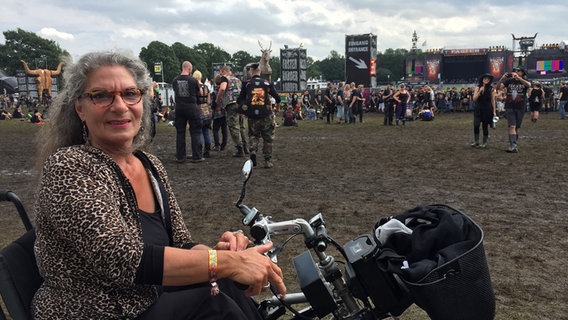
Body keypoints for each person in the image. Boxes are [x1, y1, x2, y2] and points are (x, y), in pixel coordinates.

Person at [32, 50, 286, 320]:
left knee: (224, 286)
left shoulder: (149, 164)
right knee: (213, 303)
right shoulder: (69, 167)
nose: (120, 106)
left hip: (150, 300)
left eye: (130, 94)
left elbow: (181, 244)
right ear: (80, 108)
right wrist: (222, 263)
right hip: (95, 311)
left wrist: (220, 255)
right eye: (102, 95)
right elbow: (120, 259)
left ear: (143, 101)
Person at [237, 63, 281, 169]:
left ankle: (253, 151)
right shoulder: (266, 83)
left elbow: (239, 99)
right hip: (265, 114)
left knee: (253, 135)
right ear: (260, 72)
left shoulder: (247, 84)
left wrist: (244, 108)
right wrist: (277, 108)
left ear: (251, 72)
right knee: (268, 138)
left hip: (252, 115)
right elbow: (277, 98)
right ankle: (267, 160)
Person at [172, 61, 204, 162]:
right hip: (192, 107)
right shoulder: (193, 80)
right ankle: (197, 156)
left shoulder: (175, 80)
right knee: (195, 132)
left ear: (182, 67)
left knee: (180, 132)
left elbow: (175, 91)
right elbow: (199, 93)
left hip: (179, 108)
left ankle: (180, 157)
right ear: (190, 69)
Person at [216, 65, 249, 157]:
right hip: (241, 104)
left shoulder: (224, 78)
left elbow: (222, 88)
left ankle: (239, 149)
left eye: (220, 72)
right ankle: (246, 148)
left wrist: (218, 100)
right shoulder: (237, 79)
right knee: (242, 126)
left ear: (223, 71)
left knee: (234, 127)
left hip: (231, 104)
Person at [497, 67, 531, 153]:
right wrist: (502, 79)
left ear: (522, 73)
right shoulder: (509, 81)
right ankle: (513, 146)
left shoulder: (523, 81)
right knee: (512, 126)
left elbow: (529, 85)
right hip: (510, 107)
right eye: (515, 71)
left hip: (520, 107)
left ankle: (514, 143)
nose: (516, 72)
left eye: (518, 71)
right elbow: (498, 88)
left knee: (517, 128)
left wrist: (519, 78)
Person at [471, 74, 496, 148]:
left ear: (489, 80)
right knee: (476, 125)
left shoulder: (491, 89)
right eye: (485, 78)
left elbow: (493, 101)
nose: (486, 80)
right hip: (478, 108)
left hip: (487, 109)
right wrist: (479, 91)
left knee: (485, 126)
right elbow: (474, 99)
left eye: (488, 79)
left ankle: (484, 142)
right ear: (482, 79)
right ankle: (476, 141)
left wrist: (494, 111)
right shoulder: (478, 87)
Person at [193, 70, 213, 158]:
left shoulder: (195, 87)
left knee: (199, 132)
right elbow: (209, 101)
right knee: (206, 132)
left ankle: (199, 151)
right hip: (207, 111)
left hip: (198, 110)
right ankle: (207, 151)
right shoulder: (206, 87)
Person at [211, 75, 228, 151]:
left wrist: (212, 109)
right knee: (224, 129)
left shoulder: (215, 91)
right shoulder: (225, 91)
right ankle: (224, 144)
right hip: (224, 111)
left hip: (217, 112)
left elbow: (213, 103)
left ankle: (217, 144)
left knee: (215, 129)